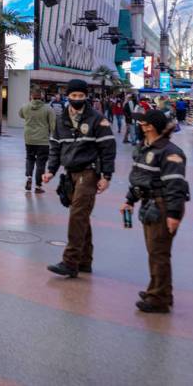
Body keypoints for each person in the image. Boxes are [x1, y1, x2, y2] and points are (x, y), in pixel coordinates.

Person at [43, 79, 116, 278]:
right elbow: (56, 147)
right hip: (70, 173)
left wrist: (106, 176)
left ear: (86, 96)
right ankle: (85, 261)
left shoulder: (97, 119)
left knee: (77, 214)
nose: (77, 99)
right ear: (68, 96)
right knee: (81, 216)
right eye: (73, 96)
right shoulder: (61, 120)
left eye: (80, 96)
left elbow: (108, 149)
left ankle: (70, 261)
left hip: (89, 172)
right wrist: (51, 170)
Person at [122, 109, 189, 314]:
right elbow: (139, 177)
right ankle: (160, 291)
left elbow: (176, 185)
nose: (139, 125)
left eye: (142, 122)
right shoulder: (144, 147)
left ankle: (158, 298)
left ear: (150, 127)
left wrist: (174, 214)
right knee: (154, 251)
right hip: (148, 204)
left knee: (159, 252)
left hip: (163, 206)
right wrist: (130, 200)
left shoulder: (170, 152)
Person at [19, 90, 55, 193]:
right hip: (43, 141)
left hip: (29, 139)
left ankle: (29, 177)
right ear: (42, 97)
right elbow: (53, 125)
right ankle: (38, 186)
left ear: (31, 96)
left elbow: (21, 115)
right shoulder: (48, 109)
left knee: (30, 158)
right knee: (41, 163)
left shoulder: (25, 106)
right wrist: (55, 138)